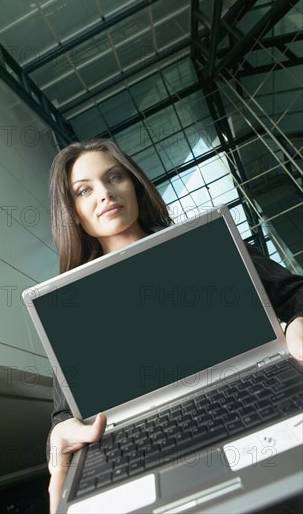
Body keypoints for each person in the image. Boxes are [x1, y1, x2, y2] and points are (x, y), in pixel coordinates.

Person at [47, 137, 303, 512]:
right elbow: (63, 412)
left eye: (114, 177)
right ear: (72, 212)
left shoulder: (211, 243)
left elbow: (296, 293)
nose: (104, 194)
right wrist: (59, 435)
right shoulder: (69, 303)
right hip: (145, 435)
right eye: (84, 190)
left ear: (133, 182)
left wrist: (298, 322)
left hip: (256, 393)